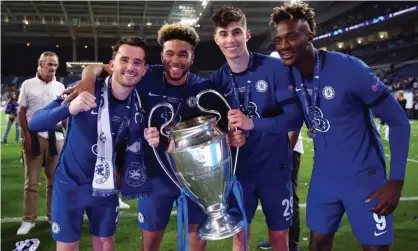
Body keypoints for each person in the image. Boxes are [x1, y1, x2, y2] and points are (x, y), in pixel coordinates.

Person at [61, 24, 246, 251]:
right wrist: (88, 76)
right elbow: (102, 67)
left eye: (182, 54)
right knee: (150, 244)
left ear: (192, 57)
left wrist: (232, 138)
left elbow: (222, 129)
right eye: (169, 54)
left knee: (196, 241)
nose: (175, 61)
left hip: (196, 177)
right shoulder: (146, 76)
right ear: (161, 56)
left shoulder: (202, 87)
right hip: (154, 177)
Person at [270, 2, 410, 251]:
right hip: (323, 178)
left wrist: (396, 182)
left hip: (364, 177)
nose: (283, 46)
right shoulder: (289, 74)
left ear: (310, 35)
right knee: (317, 245)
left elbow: (398, 120)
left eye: (291, 37)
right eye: (278, 40)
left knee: (375, 248)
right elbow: (292, 120)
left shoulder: (350, 69)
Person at [29, 37, 157, 251]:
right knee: (68, 247)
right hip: (70, 185)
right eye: (124, 60)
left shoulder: (142, 101)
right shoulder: (86, 89)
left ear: (144, 69)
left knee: (106, 245)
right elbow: (35, 122)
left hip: (105, 188)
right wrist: (69, 109)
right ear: (112, 65)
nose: (130, 67)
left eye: (137, 62)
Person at [210, 6, 304, 251]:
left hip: (275, 169)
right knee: (240, 237)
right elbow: (215, 129)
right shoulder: (216, 81)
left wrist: (253, 124)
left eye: (236, 32)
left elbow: (294, 118)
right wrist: (227, 137)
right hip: (239, 172)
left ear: (247, 34)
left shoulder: (275, 69)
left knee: (279, 236)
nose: (230, 39)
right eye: (224, 33)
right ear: (216, 38)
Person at [16, 51, 66, 235]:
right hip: (35, 137)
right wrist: (27, 137)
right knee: (32, 183)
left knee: (55, 182)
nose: (52, 68)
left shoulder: (60, 86)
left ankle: (53, 216)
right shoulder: (28, 85)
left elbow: (63, 113)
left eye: (55, 65)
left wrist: (69, 135)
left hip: (56, 138)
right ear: (40, 64)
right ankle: (29, 220)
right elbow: (22, 112)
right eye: (49, 64)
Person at [258, 133, 303, 251]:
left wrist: (285, 150)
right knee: (273, 197)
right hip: (269, 150)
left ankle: (292, 243)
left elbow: (293, 124)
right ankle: (278, 236)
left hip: (288, 150)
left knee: (289, 195)